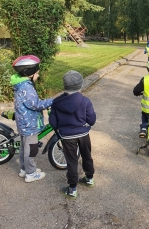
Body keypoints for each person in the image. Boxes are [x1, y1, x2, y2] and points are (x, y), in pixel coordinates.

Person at [49, 70, 96, 200]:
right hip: (83, 134)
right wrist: (86, 124)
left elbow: (53, 122)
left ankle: (72, 189)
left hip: (67, 136)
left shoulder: (57, 102)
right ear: (80, 85)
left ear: (64, 86)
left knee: (71, 161)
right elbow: (91, 120)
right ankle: (89, 178)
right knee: (87, 156)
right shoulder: (85, 101)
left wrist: (60, 129)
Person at [11, 55, 52, 183]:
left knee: (24, 147)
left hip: (24, 122)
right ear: (29, 73)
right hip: (29, 124)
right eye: (37, 73)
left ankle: (24, 169)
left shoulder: (21, 84)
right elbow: (36, 105)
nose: (38, 75)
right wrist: (53, 101)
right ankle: (31, 173)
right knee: (31, 148)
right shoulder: (26, 87)